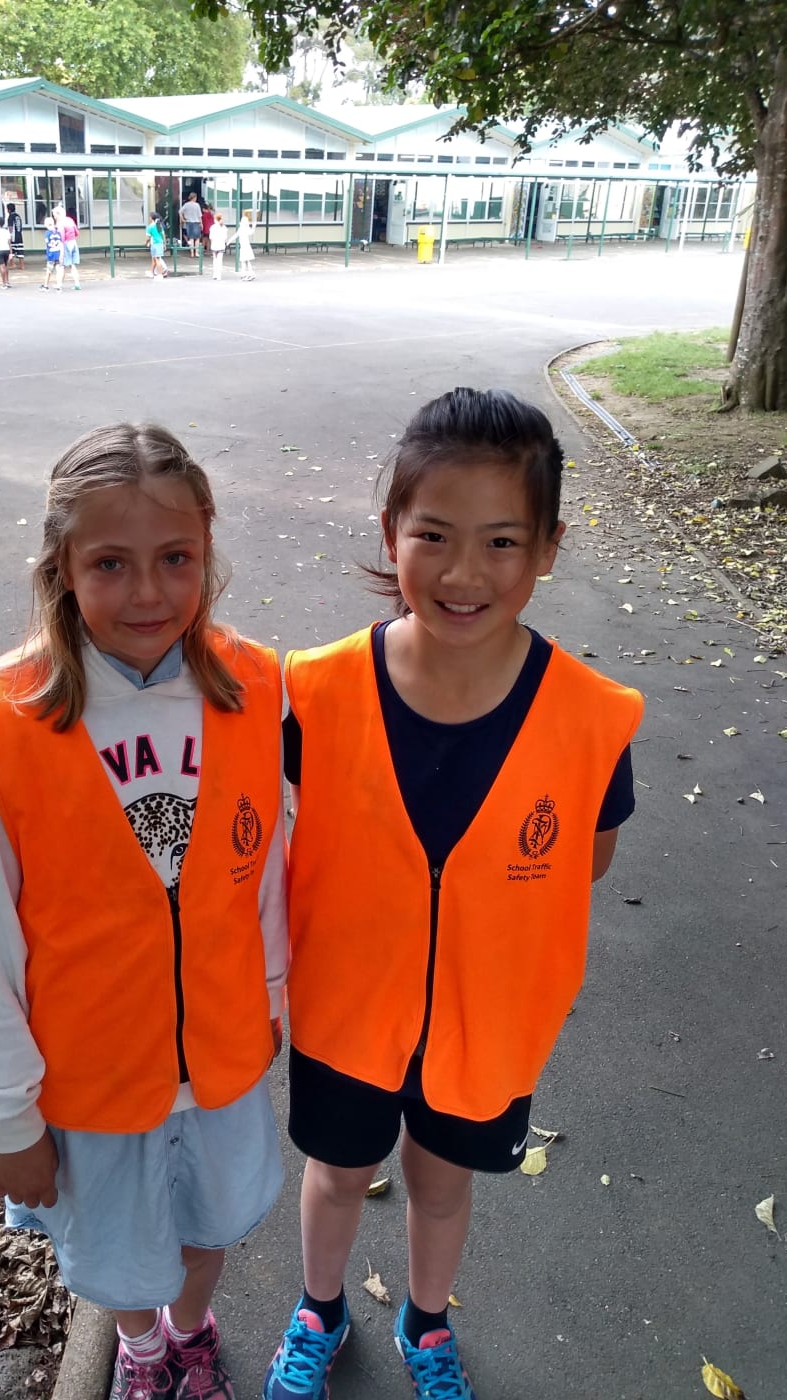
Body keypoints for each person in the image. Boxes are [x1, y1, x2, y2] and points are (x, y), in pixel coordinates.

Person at [264, 387, 644, 1400]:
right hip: (347, 1011)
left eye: (502, 542)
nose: (465, 572)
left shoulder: (588, 717)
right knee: (337, 1172)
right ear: (393, 534)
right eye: (433, 534)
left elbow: (586, 858)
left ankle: (428, 1324)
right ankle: (319, 1306)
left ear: (549, 547)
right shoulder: (316, 692)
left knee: (441, 1185)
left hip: (490, 1022)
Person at [0, 422, 288, 1400]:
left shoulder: (253, 690)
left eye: (175, 558)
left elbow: (260, 867)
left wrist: (266, 994)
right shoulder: (5, 732)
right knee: (123, 1249)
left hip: (218, 1059)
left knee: (207, 1227)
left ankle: (191, 1328)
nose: (147, 592)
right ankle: (140, 1345)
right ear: (62, 564)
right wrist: (9, 1118)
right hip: (91, 1078)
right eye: (111, 563)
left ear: (207, 546)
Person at [54, 203, 81, 290]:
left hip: (65, 244)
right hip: (73, 242)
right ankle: (77, 284)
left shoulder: (60, 223)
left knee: (61, 265)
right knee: (72, 265)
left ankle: (59, 284)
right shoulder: (70, 220)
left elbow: (61, 238)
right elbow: (77, 232)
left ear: (58, 214)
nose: (54, 217)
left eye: (55, 215)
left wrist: (61, 253)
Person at [40, 216, 63, 290]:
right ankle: (59, 285)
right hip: (58, 254)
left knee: (49, 271)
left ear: (46, 225)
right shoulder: (58, 233)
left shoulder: (47, 233)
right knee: (58, 270)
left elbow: (48, 244)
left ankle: (46, 285)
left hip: (51, 255)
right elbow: (61, 244)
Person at [146, 213, 169, 279]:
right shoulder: (158, 225)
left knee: (157, 259)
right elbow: (163, 235)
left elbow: (148, 237)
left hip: (154, 244)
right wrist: (164, 244)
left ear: (151, 218)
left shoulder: (150, 226)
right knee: (154, 259)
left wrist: (146, 243)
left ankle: (160, 274)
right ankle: (151, 272)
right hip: (160, 243)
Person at [208, 213, 228, 281]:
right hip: (221, 245)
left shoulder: (212, 227)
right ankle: (219, 275)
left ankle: (215, 274)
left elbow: (210, 237)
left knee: (215, 260)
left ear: (215, 219)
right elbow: (225, 238)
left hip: (214, 245)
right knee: (220, 261)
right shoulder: (224, 227)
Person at [6, 202, 25, 269]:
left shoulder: (10, 216)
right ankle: (22, 265)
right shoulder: (18, 216)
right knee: (20, 250)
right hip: (19, 235)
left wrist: (9, 236)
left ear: (9, 210)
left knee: (11, 250)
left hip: (13, 236)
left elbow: (10, 228)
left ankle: (12, 264)